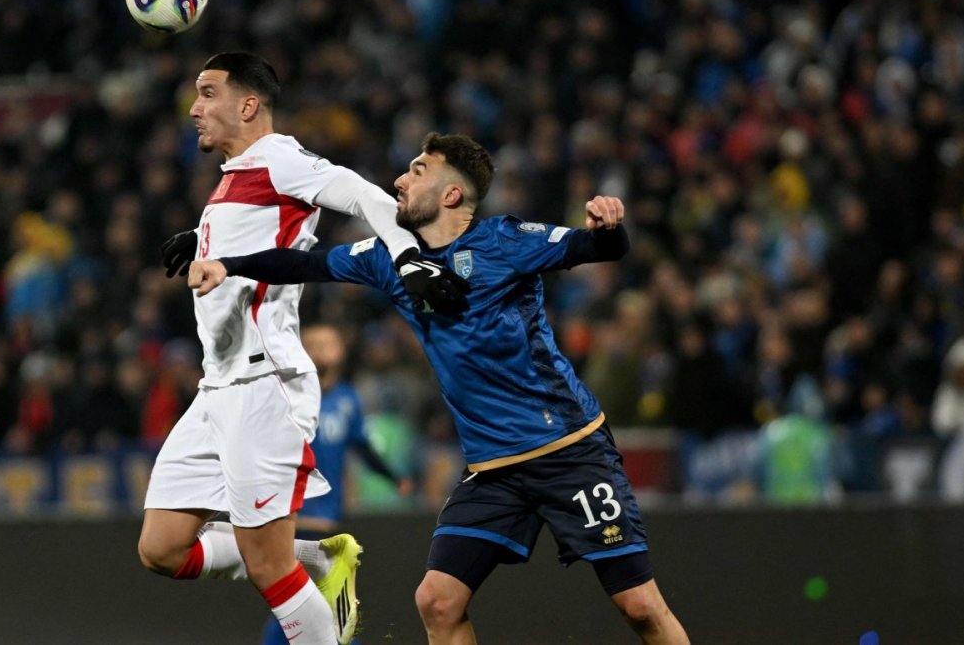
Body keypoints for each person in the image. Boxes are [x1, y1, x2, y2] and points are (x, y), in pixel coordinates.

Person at [187, 133, 690, 643]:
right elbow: (304, 265)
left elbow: (596, 247)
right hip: (493, 471)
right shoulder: (389, 259)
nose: (399, 181)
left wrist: (609, 226)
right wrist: (226, 262)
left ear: (451, 196)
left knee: (640, 605)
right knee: (437, 601)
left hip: (567, 449)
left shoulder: (504, 241)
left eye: (417, 171)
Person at [137, 52, 466, 645]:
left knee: (267, 568)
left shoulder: (281, 157)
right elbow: (256, 237)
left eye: (207, 93)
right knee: (160, 549)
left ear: (248, 105)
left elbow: (368, 198)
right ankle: (315, 560)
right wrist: (203, 234)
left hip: (265, 387)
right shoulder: (236, 177)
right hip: (216, 390)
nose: (193, 108)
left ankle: (300, 574)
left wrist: (409, 257)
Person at [260, 323, 414, 645]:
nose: (319, 350)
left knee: (304, 607)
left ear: (341, 351)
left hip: (330, 519)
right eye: (312, 344)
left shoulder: (347, 398)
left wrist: (393, 477)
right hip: (291, 519)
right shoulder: (286, 397)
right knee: (321, 608)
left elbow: (361, 445)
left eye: (327, 343)